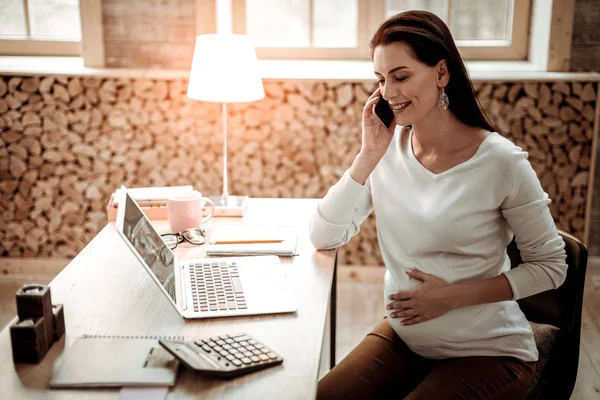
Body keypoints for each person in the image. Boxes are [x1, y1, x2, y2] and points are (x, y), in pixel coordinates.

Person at [309, 10, 568, 400]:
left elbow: (551, 269)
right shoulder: (385, 152)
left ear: (441, 73)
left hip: (488, 353)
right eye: (381, 80)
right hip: (406, 339)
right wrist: (367, 156)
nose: (389, 93)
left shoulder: (501, 162)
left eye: (401, 76)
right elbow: (323, 235)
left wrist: (447, 298)